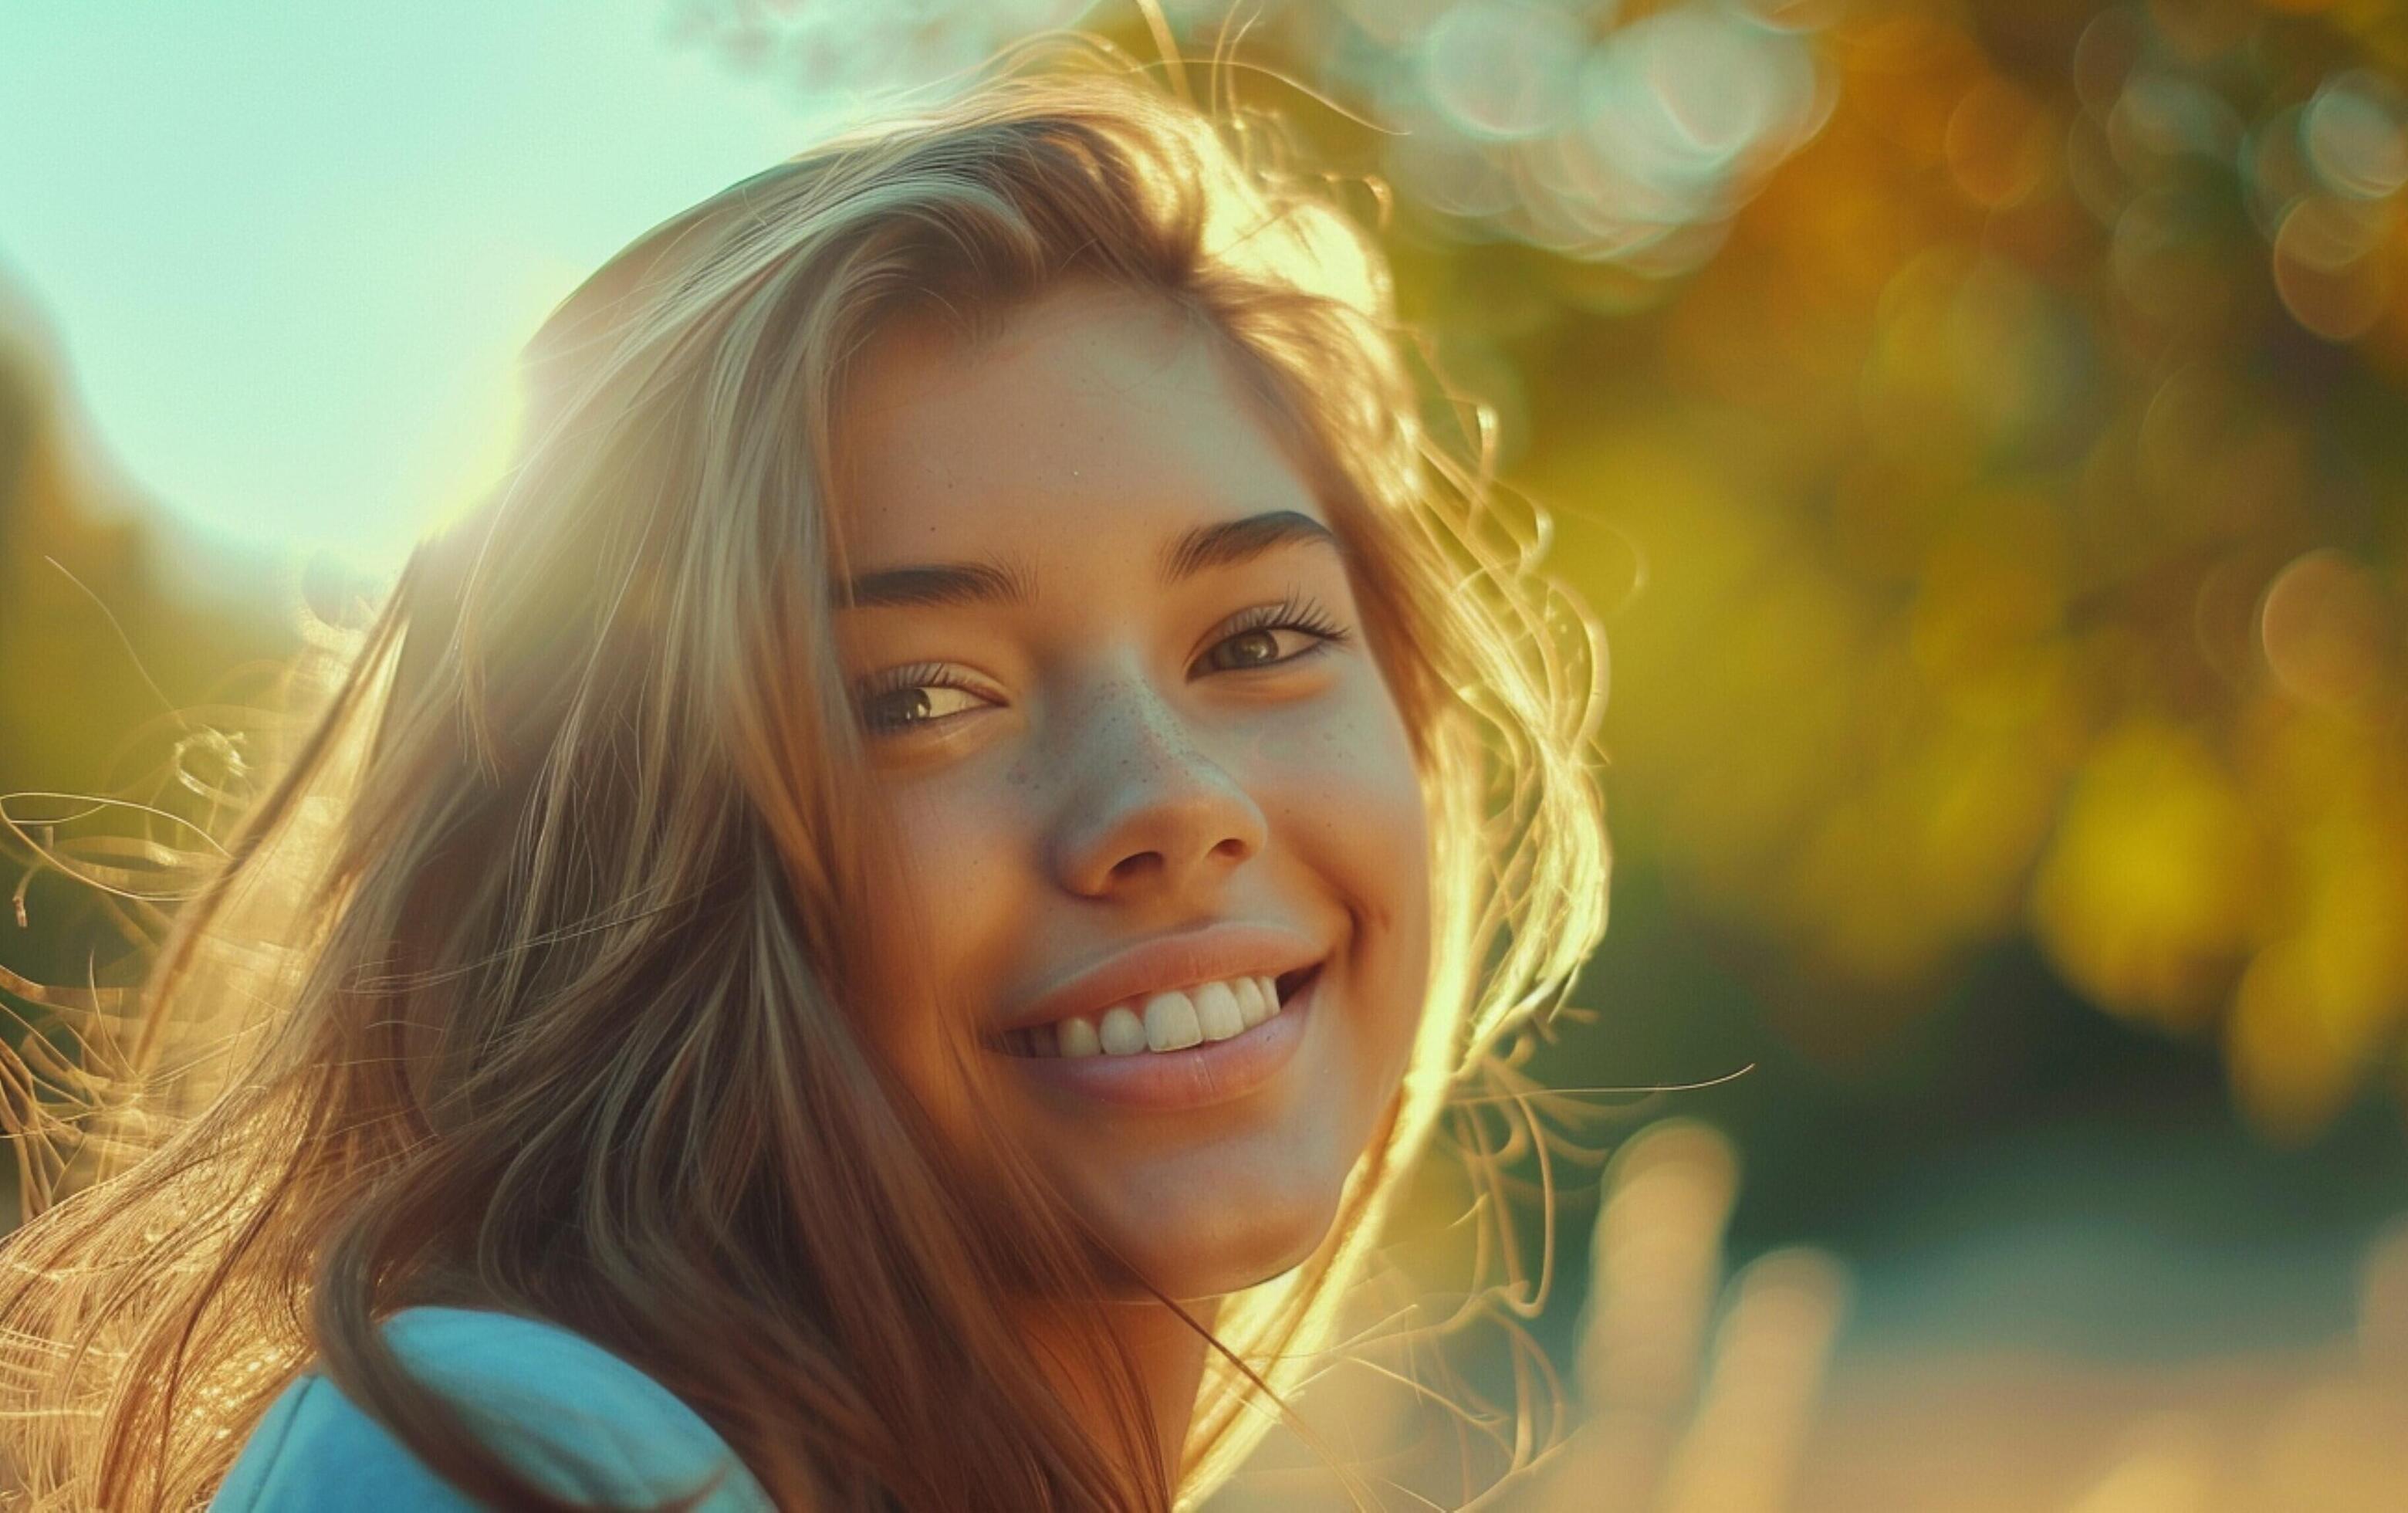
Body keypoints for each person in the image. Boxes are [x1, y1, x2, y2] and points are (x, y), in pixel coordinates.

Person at [0, 37, 1608, 1513]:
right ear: (634, 856)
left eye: (1257, 638)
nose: (1173, 801)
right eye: (918, 694)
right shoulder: (506, 1458)